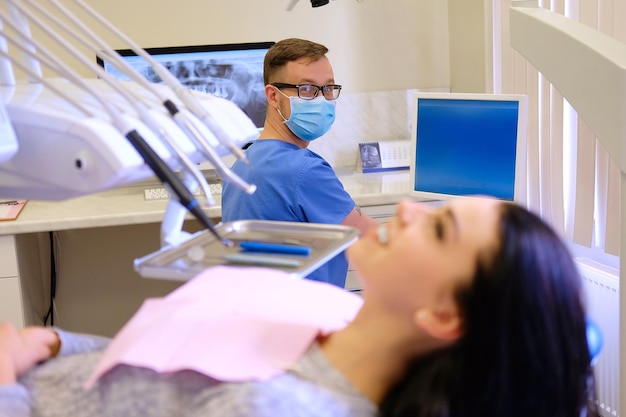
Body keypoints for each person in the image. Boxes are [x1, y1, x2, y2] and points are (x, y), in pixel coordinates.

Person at [0, 197, 596, 417]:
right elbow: (162, 363)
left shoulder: (279, 405)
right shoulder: (328, 313)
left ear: (443, 317)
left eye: (438, 229)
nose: (408, 209)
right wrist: (50, 344)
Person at [221, 38, 380, 288]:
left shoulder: (241, 165)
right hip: (306, 317)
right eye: (307, 89)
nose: (322, 100)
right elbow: (373, 237)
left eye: (328, 88)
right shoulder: (304, 171)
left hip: (261, 313)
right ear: (273, 96)